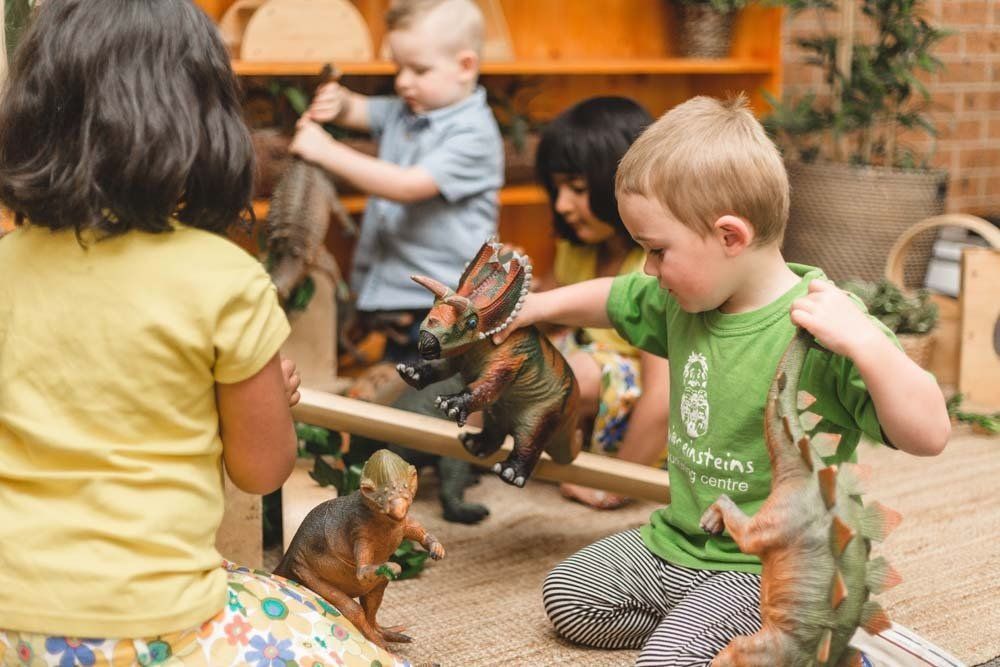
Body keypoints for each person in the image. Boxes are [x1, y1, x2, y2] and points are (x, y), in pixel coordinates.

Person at [0, 2, 406, 665]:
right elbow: (263, 466)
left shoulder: (5, 263)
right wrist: (263, 391)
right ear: (204, 123)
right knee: (316, 624)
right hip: (154, 628)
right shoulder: (224, 279)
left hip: (11, 624)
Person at [495, 95, 951, 665]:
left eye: (657, 251)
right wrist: (533, 310)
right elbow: (611, 299)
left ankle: (798, 627)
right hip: (678, 539)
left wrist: (863, 342)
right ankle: (712, 621)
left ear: (730, 236)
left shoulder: (827, 325)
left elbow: (930, 432)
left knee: (666, 661)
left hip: (762, 564)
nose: (649, 271)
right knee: (570, 598)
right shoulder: (682, 299)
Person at [290, 0, 504, 362]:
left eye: (419, 70)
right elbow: (362, 110)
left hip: (441, 306)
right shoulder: (407, 110)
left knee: (426, 403)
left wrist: (326, 151)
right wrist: (340, 103)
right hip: (395, 300)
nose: (403, 81)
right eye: (398, 67)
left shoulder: (474, 134)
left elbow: (406, 186)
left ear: (465, 66)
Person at [534, 96, 669, 510]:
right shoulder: (574, 251)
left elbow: (666, 396)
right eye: (556, 189)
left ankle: (606, 461)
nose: (562, 206)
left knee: (572, 371)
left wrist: (619, 483)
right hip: (584, 397)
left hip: (643, 415)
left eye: (576, 189)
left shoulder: (656, 271)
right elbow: (541, 315)